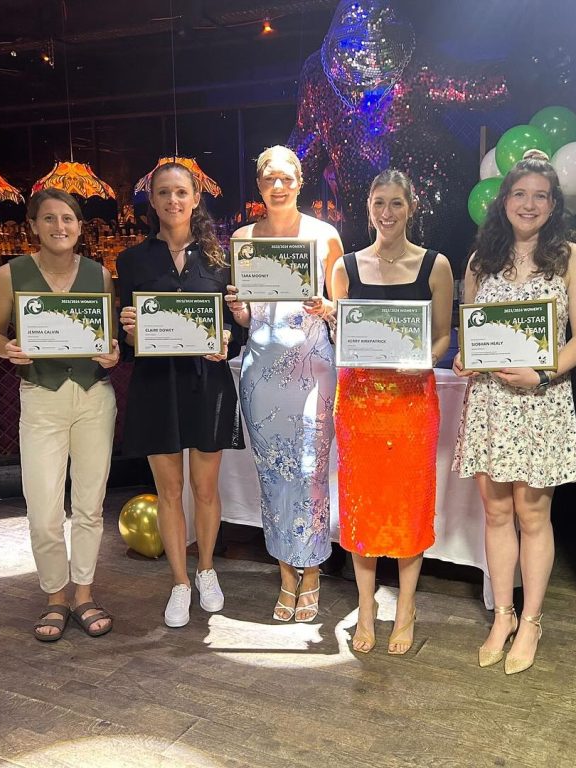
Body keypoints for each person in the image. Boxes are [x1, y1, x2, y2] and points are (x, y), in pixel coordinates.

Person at [452, 149, 576, 674]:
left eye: (540, 195)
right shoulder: (480, 260)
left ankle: (532, 620)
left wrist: (543, 373)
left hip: (541, 400)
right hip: (490, 402)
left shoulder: (573, 257)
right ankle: (503, 615)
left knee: (533, 516)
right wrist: (467, 358)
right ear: (504, 201)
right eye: (520, 194)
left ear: (554, 204)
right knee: (495, 513)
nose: (529, 204)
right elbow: (472, 332)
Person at [0, 189, 120, 642]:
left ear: (80, 227)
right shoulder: (10, 274)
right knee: (43, 510)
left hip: (94, 397)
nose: (59, 226)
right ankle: (54, 595)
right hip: (41, 397)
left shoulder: (100, 275)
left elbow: (108, 340)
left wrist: (113, 354)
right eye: (49, 218)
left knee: (89, 506)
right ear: (33, 225)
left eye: (67, 219)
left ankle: (83, 593)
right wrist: (9, 349)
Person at [330, 169, 453, 654]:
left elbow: (442, 335)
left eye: (396, 203)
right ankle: (365, 607)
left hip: (412, 404)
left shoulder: (435, 266)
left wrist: (421, 358)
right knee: (361, 506)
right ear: (368, 207)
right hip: (359, 404)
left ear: (412, 206)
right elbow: (344, 337)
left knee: (409, 505)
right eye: (379, 202)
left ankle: (406, 607)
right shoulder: (345, 268)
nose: (387, 212)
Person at [117, 162, 244, 628]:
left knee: (205, 488)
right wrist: (129, 331)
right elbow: (126, 335)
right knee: (168, 491)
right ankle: (179, 582)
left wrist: (229, 337)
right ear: (152, 201)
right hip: (156, 385)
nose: (173, 200)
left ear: (195, 199)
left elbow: (234, 329)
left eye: (181, 192)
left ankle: (206, 569)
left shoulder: (220, 260)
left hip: (206, 382)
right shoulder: (132, 261)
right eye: (164, 193)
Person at [225, 145, 344, 623]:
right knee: (273, 474)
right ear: (259, 184)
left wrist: (326, 307)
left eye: (286, 178)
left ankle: (311, 572)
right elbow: (248, 314)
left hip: (313, 369)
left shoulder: (325, 236)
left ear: (299, 182)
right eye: (269, 178)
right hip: (261, 371)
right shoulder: (243, 238)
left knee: (311, 471)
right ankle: (284, 575)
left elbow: (343, 310)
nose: (278, 186)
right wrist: (238, 310)